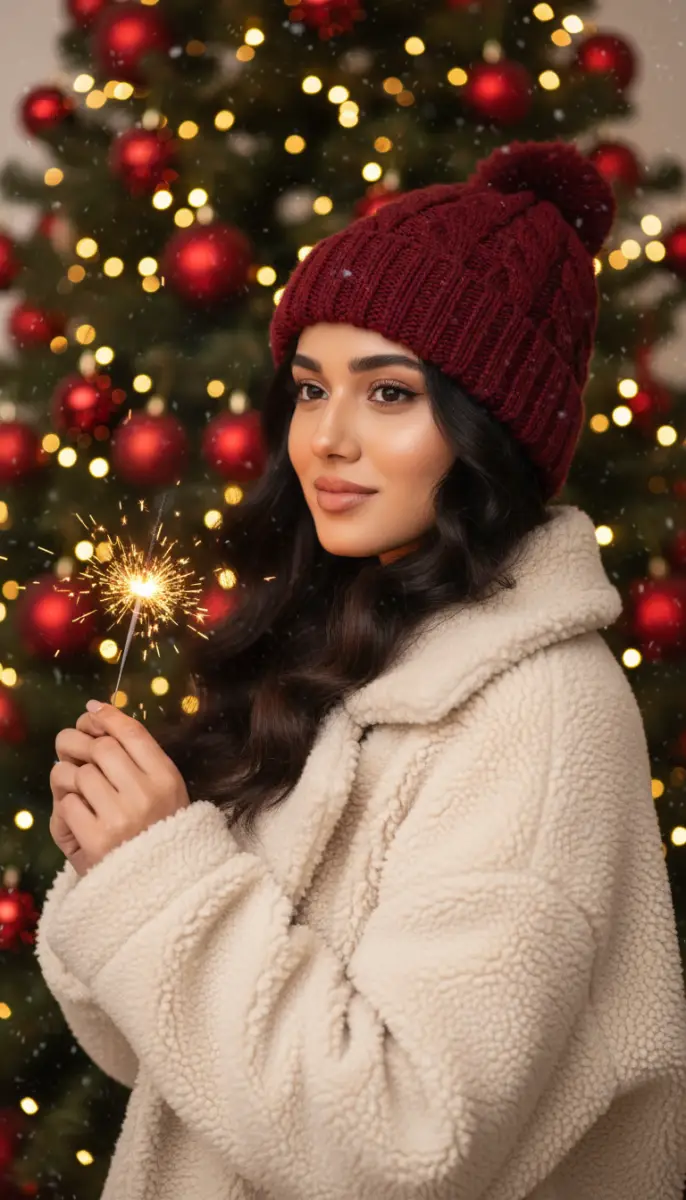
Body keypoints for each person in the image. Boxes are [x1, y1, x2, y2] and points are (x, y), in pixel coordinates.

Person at [38, 140, 686, 1200]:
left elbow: (397, 1147)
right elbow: (174, 1063)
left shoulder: (535, 715)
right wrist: (117, 868)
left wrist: (162, 880)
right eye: (308, 389)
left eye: (387, 395)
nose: (325, 439)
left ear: (488, 431)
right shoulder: (345, 651)